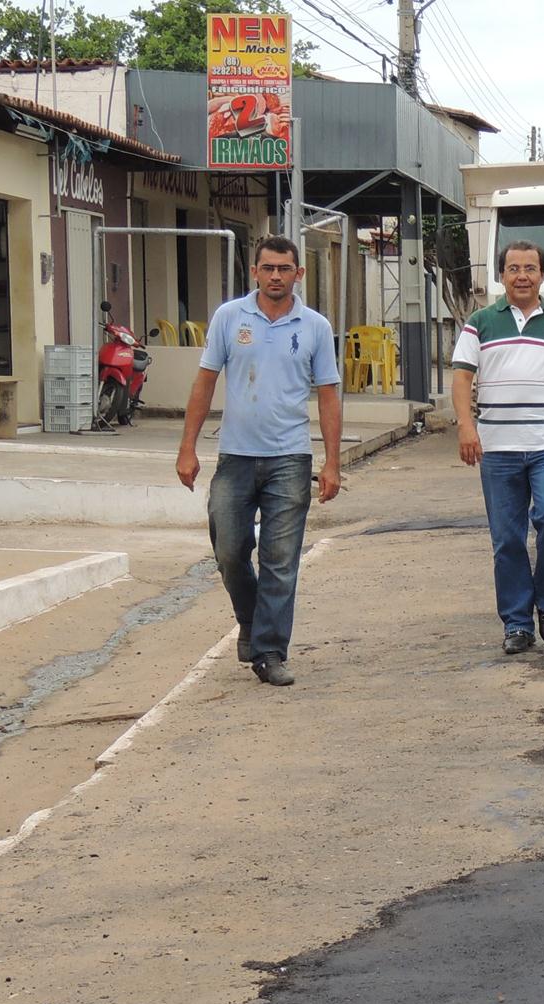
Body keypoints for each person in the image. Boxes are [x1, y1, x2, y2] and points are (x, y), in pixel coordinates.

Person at [176, 235, 341, 687]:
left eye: (284, 269)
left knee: (280, 559)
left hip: (290, 458)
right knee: (229, 551)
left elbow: (328, 394)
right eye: (267, 268)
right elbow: (205, 382)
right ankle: (250, 621)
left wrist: (332, 462)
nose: (275, 276)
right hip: (235, 457)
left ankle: (269, 650)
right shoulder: (230, 317)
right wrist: (187, 447)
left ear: (298, 274)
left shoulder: (315, 327)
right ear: (254, 272)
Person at [452, 239, 544, 655]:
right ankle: (517, 623)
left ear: (542, 275)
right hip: (498, 449)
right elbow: (463, 379)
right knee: (507, 539)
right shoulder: (479, 323)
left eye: (530, 268)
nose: (522, 275)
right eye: (514, 268)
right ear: (502, 275)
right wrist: (467, 427)